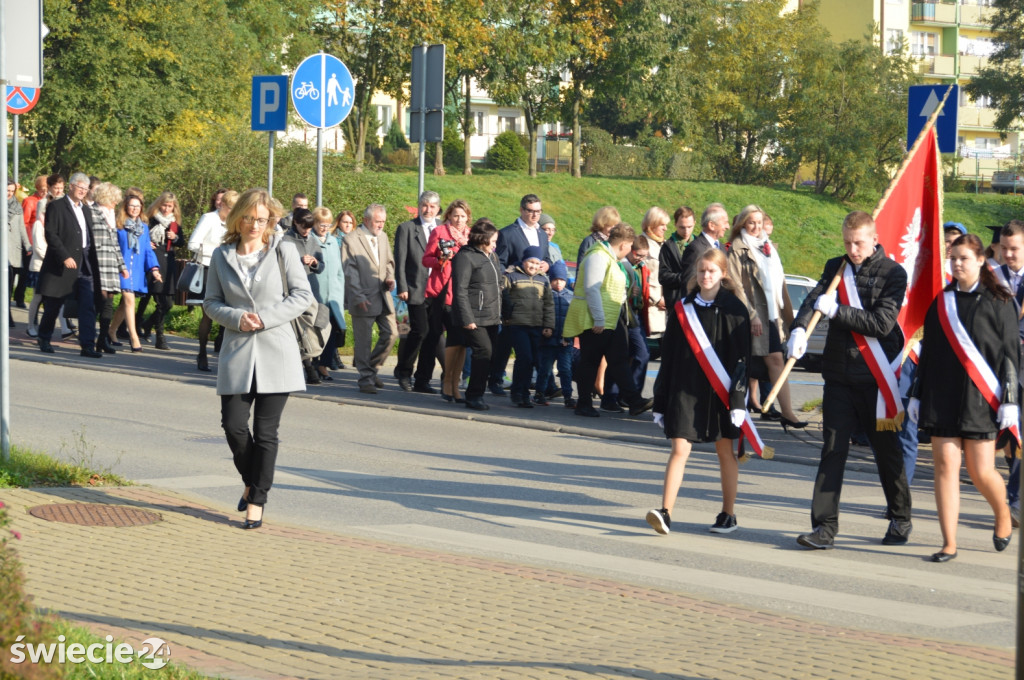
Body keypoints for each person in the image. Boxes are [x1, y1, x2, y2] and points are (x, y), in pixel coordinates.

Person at [788, 210, 913, 550]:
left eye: (858, 243)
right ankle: (824, 528)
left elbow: (882, 323)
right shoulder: (836, 267)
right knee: (832, 451)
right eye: (847, 242)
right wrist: (798, 328)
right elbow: (814, 299)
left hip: (875, 379)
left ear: (874, 239)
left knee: (887, 453)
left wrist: (837, 311)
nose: (853, 249)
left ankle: (900, 517)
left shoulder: (893, 273)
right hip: (839, 376)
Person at [204, 188, 313, 530]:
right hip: (237, 351)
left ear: (271, 221)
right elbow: (210, 302)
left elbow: (302, 296)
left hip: (276, 350)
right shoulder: (221, 255)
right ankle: (252, 482)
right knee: (234, 426)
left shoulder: (284, 250)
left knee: (266, 432)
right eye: (249, 218)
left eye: (262, 219)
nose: (255, 225)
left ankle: (257, 500)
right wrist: (236, 318)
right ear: (239, 217)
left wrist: (266, 318)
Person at [907, 233, 1017, 562]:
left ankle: (1002, 515)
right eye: (953, 258)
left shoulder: (999, 301)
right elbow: (928, 353)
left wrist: (1010, 399)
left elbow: (1011, 355)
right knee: (944, 467)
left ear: (981, 260)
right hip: (943, 394)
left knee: (981, 470)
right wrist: (916, 394)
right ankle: (949, 543)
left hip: (981, 398)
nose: (957, 264)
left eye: (964, 258)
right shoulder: (941, 301)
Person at [646, 247, 751, 535]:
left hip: (721, 392)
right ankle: (665, 513)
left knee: (724, 451)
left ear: (723, 274)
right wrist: (660, 398)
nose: (706, 275)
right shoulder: (682, 308)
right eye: (702, 270)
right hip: (685, 389)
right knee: (679, 448)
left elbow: (742, 360)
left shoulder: (735, 309)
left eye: (712, 271)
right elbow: (669, 356)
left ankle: (728, 514)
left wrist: (739, 400)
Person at [563, 223, 654, 419]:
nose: (630, 251)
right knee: (590, 361)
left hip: (612, 317)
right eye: (630, 246)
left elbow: (610, 286)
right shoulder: (597, 256)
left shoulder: (610, 258)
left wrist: (629, 292)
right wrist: (599, 319)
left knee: (619, 360)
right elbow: (592, 289)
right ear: (624, 245)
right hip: (597, 319)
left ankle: (634, 401)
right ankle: (584, 403)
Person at [727, 205, 805, 430]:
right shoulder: (736, 249)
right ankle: (735, 412)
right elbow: (736, 286)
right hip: (752, 317)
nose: (756, 227)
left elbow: (778, 283)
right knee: (744, 365)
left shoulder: (768, 247)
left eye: (760, 222)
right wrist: (752, 315)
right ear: (742, 223)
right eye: (751, 222)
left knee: (776, 360)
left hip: (773, 315)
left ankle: (787, 412)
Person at [36, 172, 102, 358]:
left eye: (85, 188)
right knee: (54, 304)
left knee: (87, 305)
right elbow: (51, 234)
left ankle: (87, 345)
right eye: (79, 187)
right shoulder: (56, 206)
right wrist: (64, 256)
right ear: (71, 186)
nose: (82, 191)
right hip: (62, 264)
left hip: (85, 263)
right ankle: (44, 337)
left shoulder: (86, 209)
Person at [342, 204, 398, 394]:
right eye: (377, 221)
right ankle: (365, 379)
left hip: (383, 295)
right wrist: (357, 296)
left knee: (392, 334)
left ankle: (371, 370)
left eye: (383, 221)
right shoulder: (351, 240)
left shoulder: (382, 237)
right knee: (363, 341)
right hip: (363, 298)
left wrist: (390, 278)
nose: (381, 225)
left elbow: (389, 262)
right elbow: (350, 271)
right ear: (366, 220)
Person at [451, 218, 504, 411]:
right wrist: (467, 319)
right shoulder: (466, 257)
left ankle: (478, 393)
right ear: (483, 239)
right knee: (483, 352)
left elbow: (496, 286)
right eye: (493, 241)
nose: (495, 245)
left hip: (491, 315)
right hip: (473, 316)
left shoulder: (491, 256)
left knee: (490, 355)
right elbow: (460, 290)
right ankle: (474, 396)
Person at [422, 199, 472, 403]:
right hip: (442, 292)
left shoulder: (471, 236)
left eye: (462, 216)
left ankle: (454, 382)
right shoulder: (440, 232)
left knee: (460, 342)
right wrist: (442, 258)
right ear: (448, 216)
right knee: (441, 338)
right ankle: (444, 383)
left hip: (463, 294)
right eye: (455, 216)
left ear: (468, 217)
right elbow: (426, 259)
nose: (459, 220)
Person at [394, 190, 442, 392]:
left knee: (433, 334)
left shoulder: (442, 228)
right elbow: (401, 260)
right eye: (424, 205)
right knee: (419, 331)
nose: (428, 210)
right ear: (418, 206)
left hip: (437, 290)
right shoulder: (407, 228)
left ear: (438, 209)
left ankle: (423, 379)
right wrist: (402, 287)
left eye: (432, 206)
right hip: (415, 288)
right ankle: (404, 372)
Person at [189, 190, 238, 371]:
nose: (234, 212)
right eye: (231, 208)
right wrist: (216, 250)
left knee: (230, 313)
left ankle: (225, 355)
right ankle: (202, 352)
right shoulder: (209, 218)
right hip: (209, 268)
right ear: (222, 205)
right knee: (208, 314)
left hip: (229, 270)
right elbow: (193, 244)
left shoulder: (235, 222)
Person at [501, 245, 554, 408]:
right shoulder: (512, 276)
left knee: (532, 360)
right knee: (525, 358)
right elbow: (503, 297)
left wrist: (548, 325)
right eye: (530, 262)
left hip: (536, 325)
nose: (533, 266)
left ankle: (524, 393)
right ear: (524, 262)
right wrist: (506, 317)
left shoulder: (543, 280)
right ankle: (518, 392)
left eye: (537, 263)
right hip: (517, 324)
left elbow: (548, 304)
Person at [110, 194, 162, 352]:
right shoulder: (118, 225)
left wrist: (154, 269)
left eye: (138, 206)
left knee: (125, 304)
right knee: (129, 300)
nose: (134, 209)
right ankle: (134, 337)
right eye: (132, 206)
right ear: (126, 207)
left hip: (137, 270)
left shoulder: (144, 228)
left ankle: (111, 331)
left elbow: (147, 250)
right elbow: (114, 247)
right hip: (121, 268)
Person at [25, 175, 72, 340]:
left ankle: (65, 328)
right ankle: (30, 326)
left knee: (56, 296)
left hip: (55, 261)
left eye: (61, 187)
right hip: (40, 264)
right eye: (56, 187)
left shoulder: (64, 204)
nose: (59, 190)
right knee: (38, 297)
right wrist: (56, 256)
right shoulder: (40, 219)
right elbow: (39, 244)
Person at [283, 207, 326, 385]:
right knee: (299, 331)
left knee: (317, 325)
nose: (306, 231)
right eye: (303, 228)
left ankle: (315, 363)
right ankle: (309, 370)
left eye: (309, 228)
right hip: (293, 291)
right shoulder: (286, 240)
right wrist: (298, 262)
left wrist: (315, 262)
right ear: (295, 223)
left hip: (312, 289)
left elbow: (322, 266)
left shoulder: (313, 240)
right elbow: (283, 267)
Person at [138, 191, 185, 350]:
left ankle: (147, 323)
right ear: (159, 204)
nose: (166, 209)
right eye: (164, 205)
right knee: (159, 300)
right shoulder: (151, 219)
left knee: (169, 303)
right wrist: (147, 243)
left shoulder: (175, 224)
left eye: (169, 206)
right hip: (154, 259)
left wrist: (175, 237)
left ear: (174, 208)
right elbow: (141, 235)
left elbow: (182, 242)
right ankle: (160, 336)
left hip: (169, 261)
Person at [88, 182, 129, 354]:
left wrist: (122, 266)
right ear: (105, 197)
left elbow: (115, 243)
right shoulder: (91, 212)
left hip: (110, 263)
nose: (116, 203)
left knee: (109, 302)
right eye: (114, 200)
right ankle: (90, 339)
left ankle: (103, 340)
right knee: (99, 301)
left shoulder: (111, 214)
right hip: (97, 261)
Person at [535, 259, 576, 407]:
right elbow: (540, 317)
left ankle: (568, 396)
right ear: (550, 280)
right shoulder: (545, 295)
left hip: (565, 343)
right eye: (555, 280)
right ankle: (539, 393)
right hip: (547, 342)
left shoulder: (571, 297)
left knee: (565, 370)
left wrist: (569, 338)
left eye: (561, 280)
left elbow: (573, 321)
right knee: (545, 370)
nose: (558, 283)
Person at [312, 206, 346, 380]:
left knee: (334, 330)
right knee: (316, 330)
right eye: (321, 224)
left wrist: (340, 293)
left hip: (334, 296)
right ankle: (312, 363)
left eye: (328, 224)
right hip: (316, 296)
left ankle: (323, 364)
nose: (325, 228)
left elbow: (339, 270)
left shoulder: (333, 241)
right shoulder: (309, 240)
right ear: (314, 223)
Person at [497, 194, 550, 272]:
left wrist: (547, 265)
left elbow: (547, 259)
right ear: (521, 210)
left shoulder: (543, 234)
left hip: (538, 282)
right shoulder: (506, 234)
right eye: (531, 211)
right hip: (514, 281)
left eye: (538, 211)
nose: (535, 215)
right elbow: (499, 264)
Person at [15, 176, 46, 308]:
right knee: (25, 272)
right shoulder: (30, 201)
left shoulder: (48, 201)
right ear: (37, 189)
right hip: (31, 241)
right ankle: (19, 297)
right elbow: (25, 223)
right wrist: (29, 243)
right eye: (43, 190)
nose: (45, 192)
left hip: (43, 241)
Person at [658, 206, 696, 310]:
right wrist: (685, 278)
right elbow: (663, 276)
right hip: (676, 301)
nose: (686, 231)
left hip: (697, 298)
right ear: (675, 224)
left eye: (689, 227)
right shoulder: (668, 247)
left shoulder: (700, 243)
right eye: (682, 227)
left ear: (694, 224)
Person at [641, 206, 670, 341]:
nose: (665, 229)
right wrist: (657, 299)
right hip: (650, 304)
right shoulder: (642, 243)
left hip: (665, 305)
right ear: (652, 224)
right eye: (662, 225)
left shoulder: (665, 244)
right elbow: (642, 276)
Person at [6, 180, 29, 327]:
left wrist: (28, 245)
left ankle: (6, 314)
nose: (8, 193)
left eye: (11, 191)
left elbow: (21, 229)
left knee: (8, 287)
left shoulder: (17, 207)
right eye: (6, 190)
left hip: (12, 252)